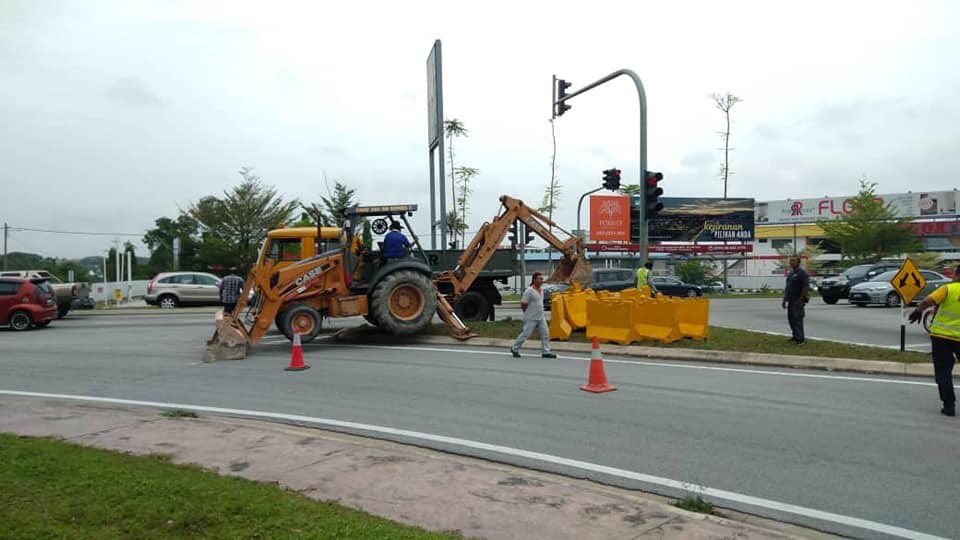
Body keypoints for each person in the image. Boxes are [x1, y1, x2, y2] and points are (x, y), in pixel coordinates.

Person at [908, 265, 960, 417]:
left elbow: (928, 300)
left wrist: (918, 311)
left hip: (941, 337)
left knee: (943, 372)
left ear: (956, 275)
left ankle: (949, 405)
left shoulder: (948, 289)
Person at [510, 272, 556, 358]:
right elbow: (523, 303)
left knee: (545, 334)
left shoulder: (541, 290)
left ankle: (546, 352)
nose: (542, 281)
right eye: (540, 279)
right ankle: (514, 348)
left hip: (540, 316)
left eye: (542, 279)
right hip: (531, 317)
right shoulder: (529, 290)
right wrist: (526, 312)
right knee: (525, 334)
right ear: (534, 280)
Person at [782, 256, 810, 344]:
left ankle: (800, 339)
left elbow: (805, 287)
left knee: (797, 319)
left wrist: (801, 300)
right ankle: (795, 336)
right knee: (791, 320)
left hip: (797, 300)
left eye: (793, 261)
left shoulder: (802, 273)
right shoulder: (791, 273)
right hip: (790, 300)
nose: (791, 262)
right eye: (790, 261)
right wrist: (784, 299)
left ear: (798, 262)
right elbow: (788, 287)